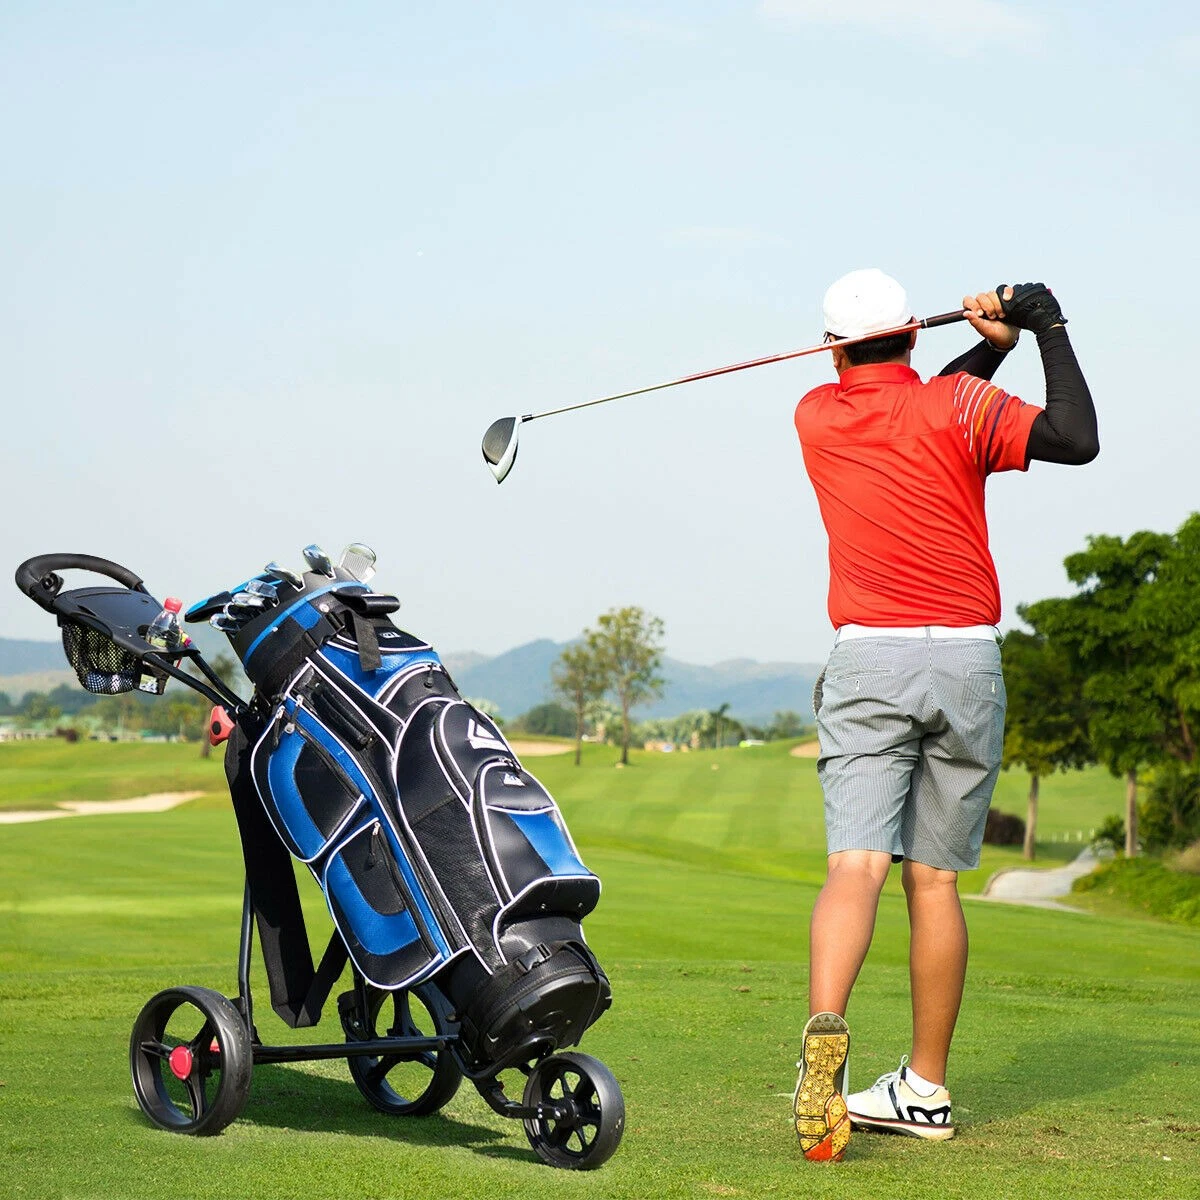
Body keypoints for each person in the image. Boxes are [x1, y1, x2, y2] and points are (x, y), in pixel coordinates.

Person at [789, 270, 1098, 1163]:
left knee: (856, 865)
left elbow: (911, 405)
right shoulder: (956, 404)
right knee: (934, 881)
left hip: (868, 657)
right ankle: (924, 1087)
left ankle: (827, 1034)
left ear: (832, 348)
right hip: (964, 657)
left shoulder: (814, 413)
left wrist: (987, 352)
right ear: (912, 338)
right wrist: (1044, 327)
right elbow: (1075, 437)